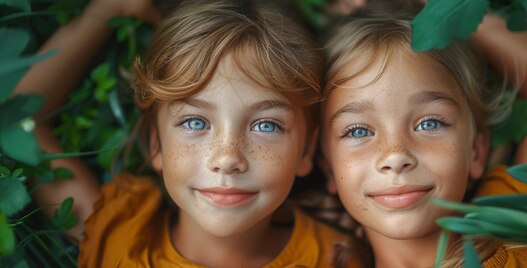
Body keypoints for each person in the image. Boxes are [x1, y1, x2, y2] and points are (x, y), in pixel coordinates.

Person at [16, 0, 358, 267]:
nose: (227, 158)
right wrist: (107, 8)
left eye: (265, 125)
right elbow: (21, 121)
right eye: (195, 122)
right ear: (156, 143)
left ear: (306, 151)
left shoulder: (337, 258)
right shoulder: (119, 234)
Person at [318, 6, 527, 268]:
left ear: (476, 151)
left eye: (429, 123)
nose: (395, 155)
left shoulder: (518, 230)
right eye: (358, 131)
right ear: (328, 166)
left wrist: (443, 11)